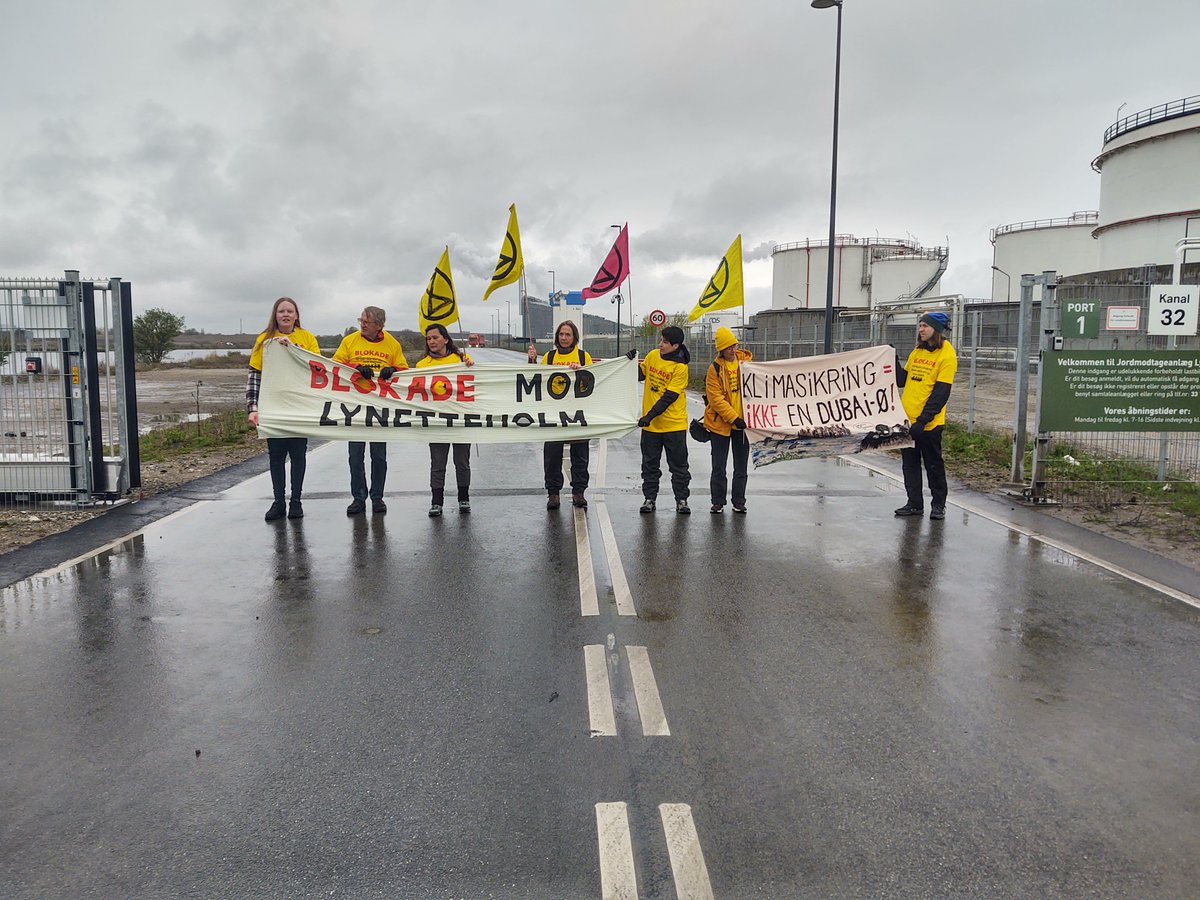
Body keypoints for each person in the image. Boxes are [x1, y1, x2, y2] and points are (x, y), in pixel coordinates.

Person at [246, 297, 323, 522]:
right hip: (273, 405)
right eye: (281, 311)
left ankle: (296, 501)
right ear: (275, 315)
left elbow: (317, 367)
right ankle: (278, 501)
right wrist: (253, 408)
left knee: (298, 454)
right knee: (276, 456)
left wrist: (292, 350)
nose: (286, 315)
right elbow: (254, 375)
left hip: (298, 405)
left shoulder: (306, 338)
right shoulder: (264, 340)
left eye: (290, 311)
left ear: (297, 315)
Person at [332, 306, 409, 515]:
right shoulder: (349, 341)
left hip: (379, 407)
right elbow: (335, 365)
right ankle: (358, 497)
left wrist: (392, 370)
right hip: (354, 407)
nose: (362, 324)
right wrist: (355, 367)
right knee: (355, 455)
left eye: (366, 321)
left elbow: (404, 369)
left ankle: (377, 497)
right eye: (361, 320)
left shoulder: (392, 344)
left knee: (379, 456)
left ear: (379, 325)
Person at [894, 311, 957, 520]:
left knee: (933, 465)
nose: (920, 330)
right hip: (907, 420)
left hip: (929, 425)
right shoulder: (917, 351)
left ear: (936, 330)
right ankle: (914, 504)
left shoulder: (947, 355)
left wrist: (923, 420)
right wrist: (892, 361)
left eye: (925, 326)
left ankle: (938, 505)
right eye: (920, 325)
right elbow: (903, 380)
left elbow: (941, 394)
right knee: (909, 465)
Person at [527, 320, 593, 510]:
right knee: (552, 456)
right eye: (561, 334)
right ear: (557, 336)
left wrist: (579, 372)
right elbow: (536, 381)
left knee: (580, 455)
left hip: (577, 412)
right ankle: (553, 494)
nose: (564, 338)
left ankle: (578, 492)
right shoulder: (549, 356)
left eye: (568, 335)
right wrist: (532, 361)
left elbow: (590, 383)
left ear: (574, 338)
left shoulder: (582, 356)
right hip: (553, 414)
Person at [417, 324, 475, 517]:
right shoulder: (421, 366)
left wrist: (468, 363)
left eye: (435, 337)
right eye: (428, 339)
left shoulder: (460, 360)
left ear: (446, 339)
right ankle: (436, 502)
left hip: (460, 420)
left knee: (462, 462)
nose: (432, 341)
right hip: (436, 421)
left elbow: (476, 379)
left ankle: (463, 498)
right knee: (438, 463)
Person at [637, 325, 692, 514]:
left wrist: (648, 416)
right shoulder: (653, 356)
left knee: (679, 467)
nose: (660, 344)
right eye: (661, 340)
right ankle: (649, 499)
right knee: (649, 466)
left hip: (673, 425)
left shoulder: (680, 367)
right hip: (651, 428)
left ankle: (682, 499)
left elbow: (669, 397)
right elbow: (640, 375)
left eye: (665, 342)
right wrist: (628, 364)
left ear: (675, 346)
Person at [703, 326, 751, 514]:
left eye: (734, 345)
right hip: (720, 425)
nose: (733, 349)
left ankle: (739, 501)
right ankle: (718, 501)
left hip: (743, 425)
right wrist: (734, 417)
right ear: (721, 349)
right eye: (729, 346)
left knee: (741, 466)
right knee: (719, 466)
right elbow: (715, 399)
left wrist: (743, 419)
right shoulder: (714, 369)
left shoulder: (747, 364)